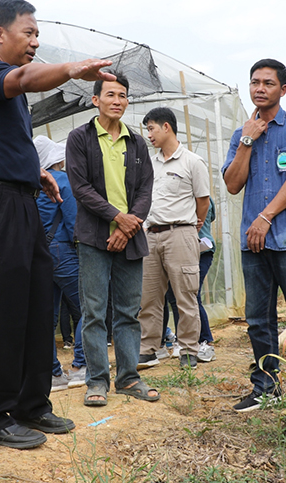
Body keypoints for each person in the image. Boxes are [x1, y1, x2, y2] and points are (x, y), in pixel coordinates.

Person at [0, 0, 114, 449]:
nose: (35, 41)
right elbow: (24, 77)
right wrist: (71, 68)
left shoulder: (10, 98)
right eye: (28, 32)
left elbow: (3, 142)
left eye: (37, 33)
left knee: (35, 307)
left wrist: (35, 171)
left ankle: (30, 405)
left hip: (21, 202)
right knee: (5, 312)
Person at [222, 58, 286, 415]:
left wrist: (265, 217)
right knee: (258, 319)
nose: (260, 88)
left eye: (268, 83)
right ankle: (267, 387)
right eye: (255, 82)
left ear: (283, 89)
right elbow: (233, 184)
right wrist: (248, 140)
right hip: (254, 242)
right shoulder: (241, 135)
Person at [66, 73, 158, 407]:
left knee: (128, 312)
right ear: (95, 100)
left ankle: (129, 377)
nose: (117, 100)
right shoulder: (80, 138)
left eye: (122, 95)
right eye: (110, 95)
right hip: (94, 239)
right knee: (93, 312)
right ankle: (97, 381)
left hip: (130, 239)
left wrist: (128, 227)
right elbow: (80, 188)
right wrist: (117, 218)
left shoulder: (136, 142)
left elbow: (146, 188)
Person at [137, 107, 210, 370]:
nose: (149, 134)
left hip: (181, 233)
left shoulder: (192, 162)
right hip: (151, 236)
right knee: (149, 297)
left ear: (166, 127)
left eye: (151, 128)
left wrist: (193, 226)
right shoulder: (148, 163)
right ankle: (148, 349)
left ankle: (189, 349)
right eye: (147, 129)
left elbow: (203, 201)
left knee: (186, 296)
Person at [33, 135, 87, 391]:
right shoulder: (63, 181)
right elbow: (73, 221)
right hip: (63, 251)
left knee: (46, 315)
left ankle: (52, 373)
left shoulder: (31, 185)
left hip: (39, 253)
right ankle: (80, 366)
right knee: (85, 308)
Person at [161, 199, 218, 363]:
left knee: (191, 294)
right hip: (181, 251)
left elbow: (206, 215)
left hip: (201, 250)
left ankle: (204, 340)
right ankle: (184, 339)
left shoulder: (200, 198)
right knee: (175, 296)